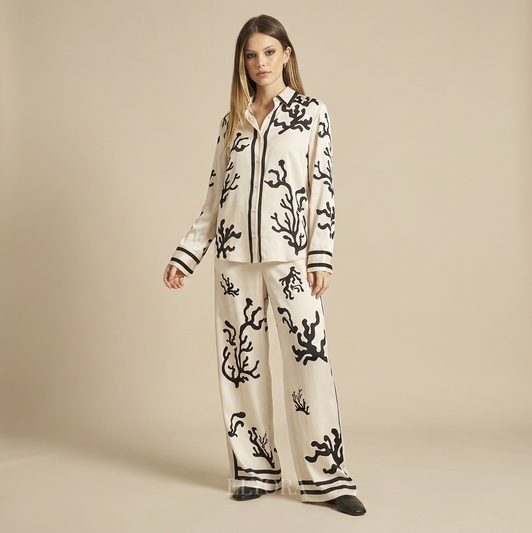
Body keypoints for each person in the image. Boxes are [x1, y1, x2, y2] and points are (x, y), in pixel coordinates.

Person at [163, 14, 366, 516]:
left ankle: (326, 479)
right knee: (241, 367)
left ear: (286, 54)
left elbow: (323, 190)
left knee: (309, 364)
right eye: (251, 55)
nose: (260, 63)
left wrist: (321, 255)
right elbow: (216, 197)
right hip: (234, 261)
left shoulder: (312, 113)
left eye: (269, 53)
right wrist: (187, 254)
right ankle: (255, 470)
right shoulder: (231, 121)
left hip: (290, 257)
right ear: (243, 61)